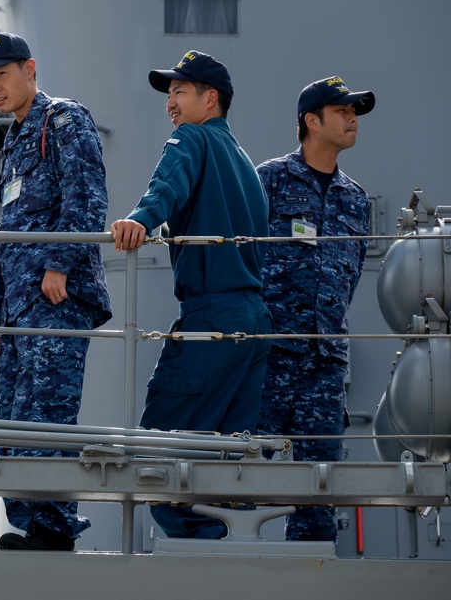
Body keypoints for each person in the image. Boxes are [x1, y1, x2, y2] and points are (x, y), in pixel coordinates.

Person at [0, 32, 112, 551]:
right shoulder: (17, 137)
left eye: (1, 74)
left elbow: (87, 197)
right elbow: (8, 236)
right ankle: (34, 524)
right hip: (20, 309)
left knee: (48, 417)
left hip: (56, 299)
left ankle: (55, 528)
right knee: (16, 424)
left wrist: (60, 266)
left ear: (30, 69)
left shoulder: (63, 120)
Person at [111, 50, 271, 539]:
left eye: (179, 91)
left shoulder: (192, 137)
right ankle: (232, 547)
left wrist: (139, 219)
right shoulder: (245, 162)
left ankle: (192, 550)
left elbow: (168, 186)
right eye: (169, 94)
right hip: (254, 321)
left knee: (161, 439)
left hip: (213, 317)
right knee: (229, 451)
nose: (171, 104)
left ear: (210, 98)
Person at [255, 77, 374, 542]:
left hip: (325, 364)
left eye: (355, 112)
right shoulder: (269, 180)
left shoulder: (355, 198)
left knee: (319, 486)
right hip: (269, 352)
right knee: (242, 473)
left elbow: (351, 274)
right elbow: (241, 255)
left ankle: (311, 576)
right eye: (343, 111)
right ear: (311, 121)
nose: (352, 119)